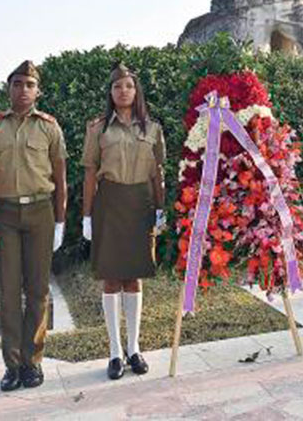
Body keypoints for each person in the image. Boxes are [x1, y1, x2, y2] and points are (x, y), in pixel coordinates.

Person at [0, 60, 67, 392]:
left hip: (40, 212)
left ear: (38, 91)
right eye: (17, 83)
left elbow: (60, 177)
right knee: (9, 292)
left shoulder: (50, 127)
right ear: (8, 88)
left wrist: (60, 221)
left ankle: (33, 362)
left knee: (38, 291)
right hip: (2, 215)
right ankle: (12, 365)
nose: (23, 89)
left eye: (29, 84)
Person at [81, 63, 166, 379]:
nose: (123, 91)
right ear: (111, 92)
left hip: (141, 204)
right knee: (111, 278)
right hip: (110, 204)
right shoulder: (99, 129)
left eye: (128, 86)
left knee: (134, 278)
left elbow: (158, 173)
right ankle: (115, 353)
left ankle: (134, 349)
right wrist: (87, 216)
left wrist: (161, 208)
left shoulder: (153, 128)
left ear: (136, 90)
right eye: (117, 87)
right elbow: (90, 173)